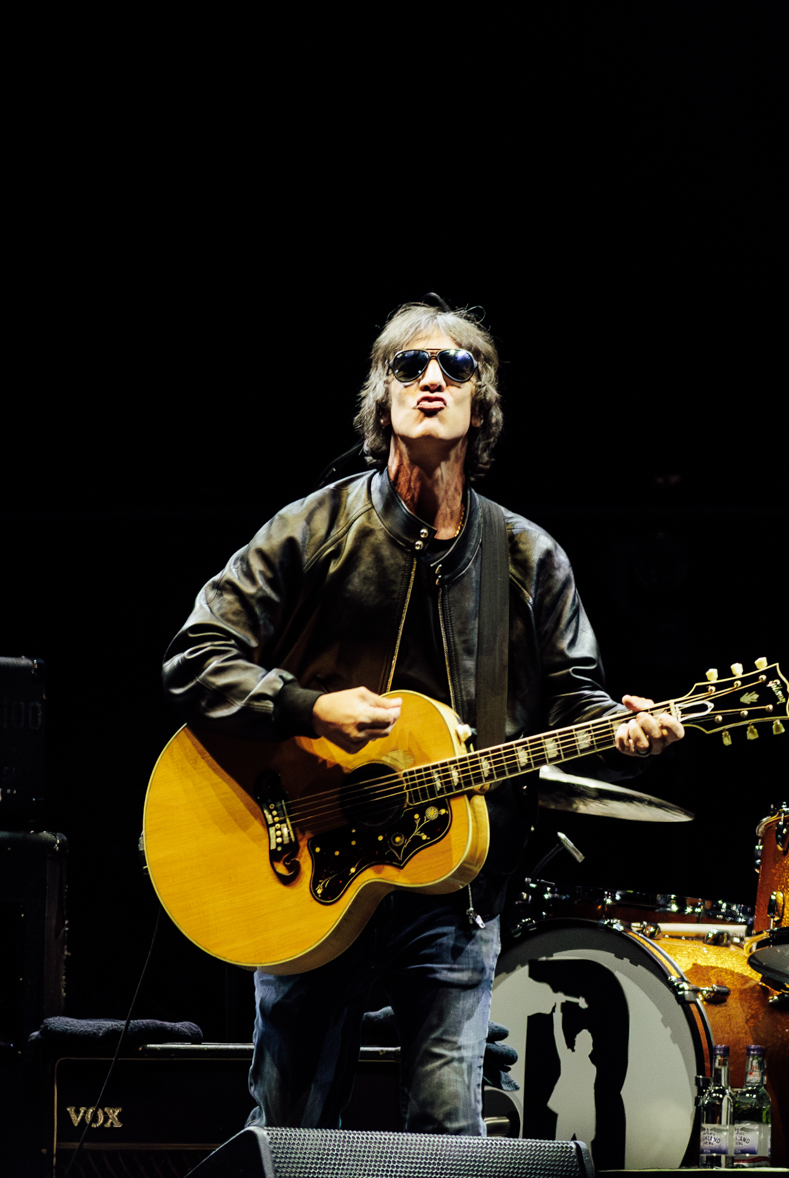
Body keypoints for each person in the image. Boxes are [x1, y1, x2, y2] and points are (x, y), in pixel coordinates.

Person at [161, 299, 684, 1135]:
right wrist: (309, 706)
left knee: (448, 1133)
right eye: (409, 366)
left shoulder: (527, 556)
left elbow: (576, 707)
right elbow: (195, 660)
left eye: (456, 367)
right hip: (308, 865)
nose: (432, 378)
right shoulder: (314, 528)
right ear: (383, 397)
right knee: (289, 1131)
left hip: (453, 885)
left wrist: (631, 735)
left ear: (482, 404)